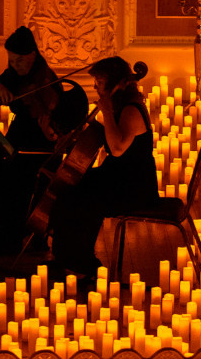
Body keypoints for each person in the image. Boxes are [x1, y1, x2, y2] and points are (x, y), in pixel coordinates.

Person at [0, 26, 84, 253]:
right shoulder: (12, 74)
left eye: (19, 60)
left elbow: (55, 131)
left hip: (38, 147)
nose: (15, 65)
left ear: (32, 55)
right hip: (15, 141)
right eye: (11, 60)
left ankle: (6, 238)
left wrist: (48, 126)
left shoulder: (46, 80)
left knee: (4, 173)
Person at [48, 57, 157, 275]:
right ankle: (66, 257)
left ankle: (83, 261)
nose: (95, 87)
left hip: (133, 187)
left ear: (117, 83)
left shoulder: (131, 110)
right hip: (118, 177)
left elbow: (117, 148)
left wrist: (106, 111)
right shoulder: (121, 106)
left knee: (83, 197)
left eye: (99, 82)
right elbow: (108, 135)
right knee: (70, 188)